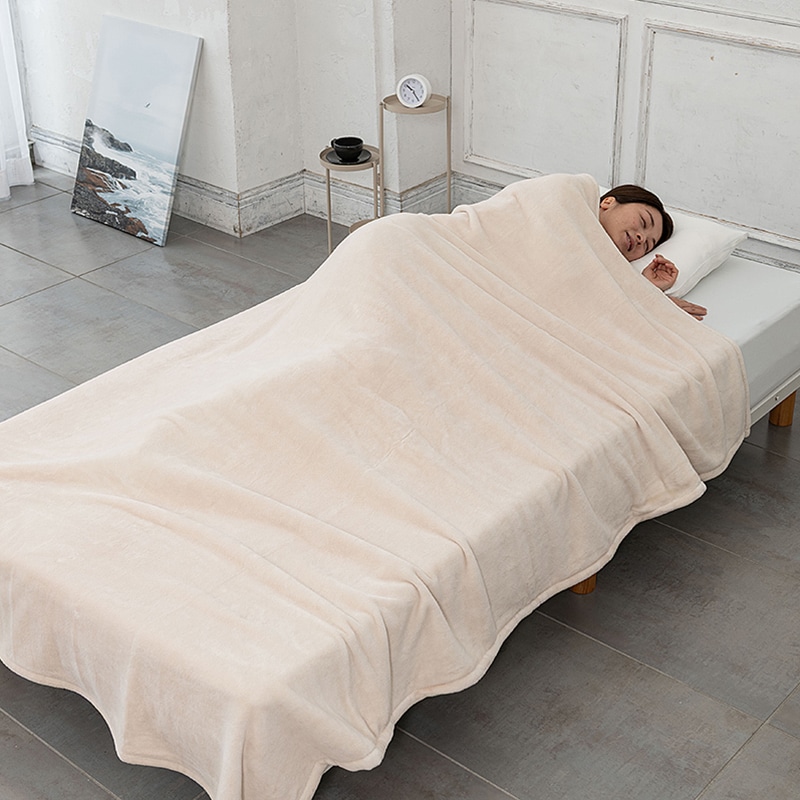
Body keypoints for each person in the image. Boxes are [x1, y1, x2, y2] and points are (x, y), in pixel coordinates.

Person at [599, 185, 707, 321]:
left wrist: (646, 292)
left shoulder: (607, 275)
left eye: (647, 246)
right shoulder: (574, 197)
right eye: (643, 221)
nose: (642, 238)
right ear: (608, 202)